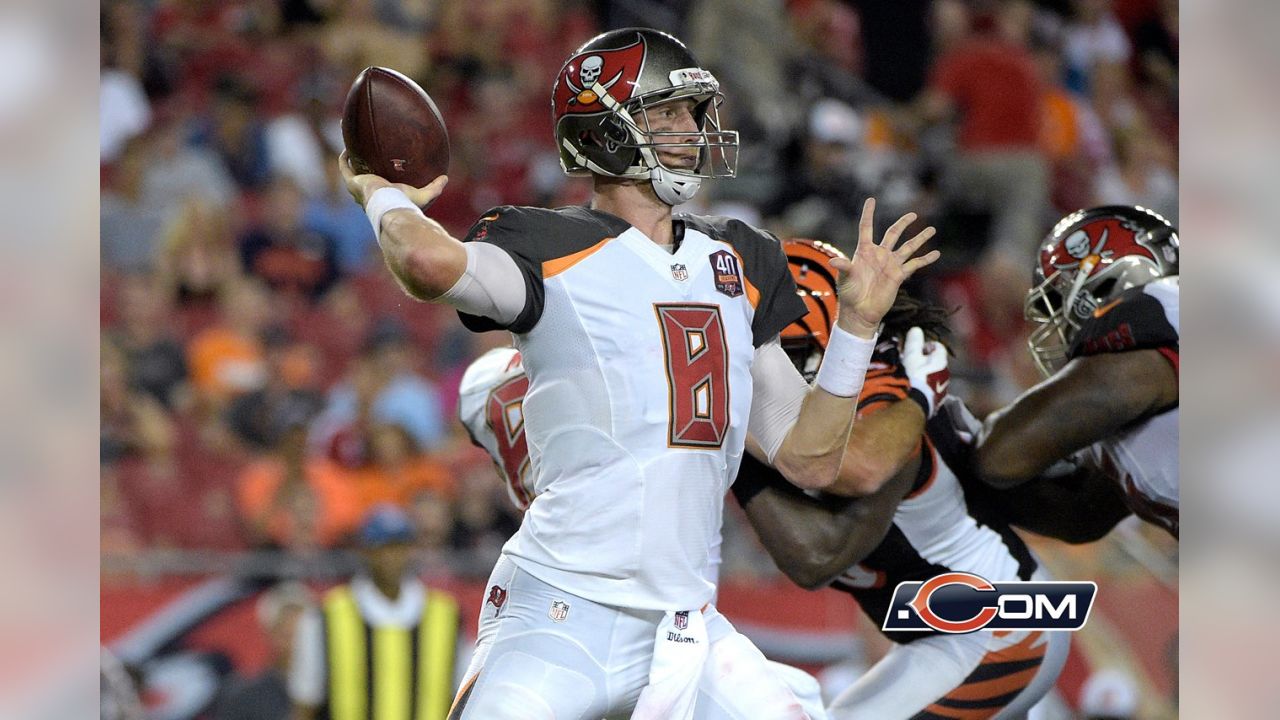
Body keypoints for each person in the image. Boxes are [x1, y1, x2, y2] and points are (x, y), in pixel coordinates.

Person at [340, 26, 938, 720]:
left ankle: (512, 414)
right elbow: (427, 264)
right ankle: (510, 407)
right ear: (603, 133)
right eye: (667, 114)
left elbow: (808, 455)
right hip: (561, 608)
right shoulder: (547, 243)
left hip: (687, 625)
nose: (691, 128)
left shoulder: (742, 257)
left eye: (691, 111)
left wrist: (858, 327)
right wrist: (382, 194)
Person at [730, 240, 1068, 719]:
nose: (760, 369)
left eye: (782, 350)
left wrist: (916, 402)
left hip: (1003, 624)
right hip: (942, 636)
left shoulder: (884, 400)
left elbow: (816, 555)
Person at [455, 345, 828, 720]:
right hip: (591, 588)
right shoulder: (611, 354)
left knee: (801, 693)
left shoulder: (494, 381)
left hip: (636, 602)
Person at [921, 205, 1179, 538]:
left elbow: (1000, 456)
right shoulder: (1142, 379)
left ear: (1103, 285)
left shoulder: (1152, 335)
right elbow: (1079, 514)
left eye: (1058, 299)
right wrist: (933, 466)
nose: (1056, 320)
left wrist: (940, 426)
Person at [289, 505, 461, 720]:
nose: (391, 557)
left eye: (399, 547)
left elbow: (467, 700)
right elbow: (305, 704)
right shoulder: (326, 616)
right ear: (365, 552)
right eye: (382, 548)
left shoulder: (446, 617)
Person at [213, 582, 313, 720]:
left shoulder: (333, 691)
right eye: (287, 635)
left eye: (302, 635)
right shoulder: (244, 695)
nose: (296, 644)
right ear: (270, 634)